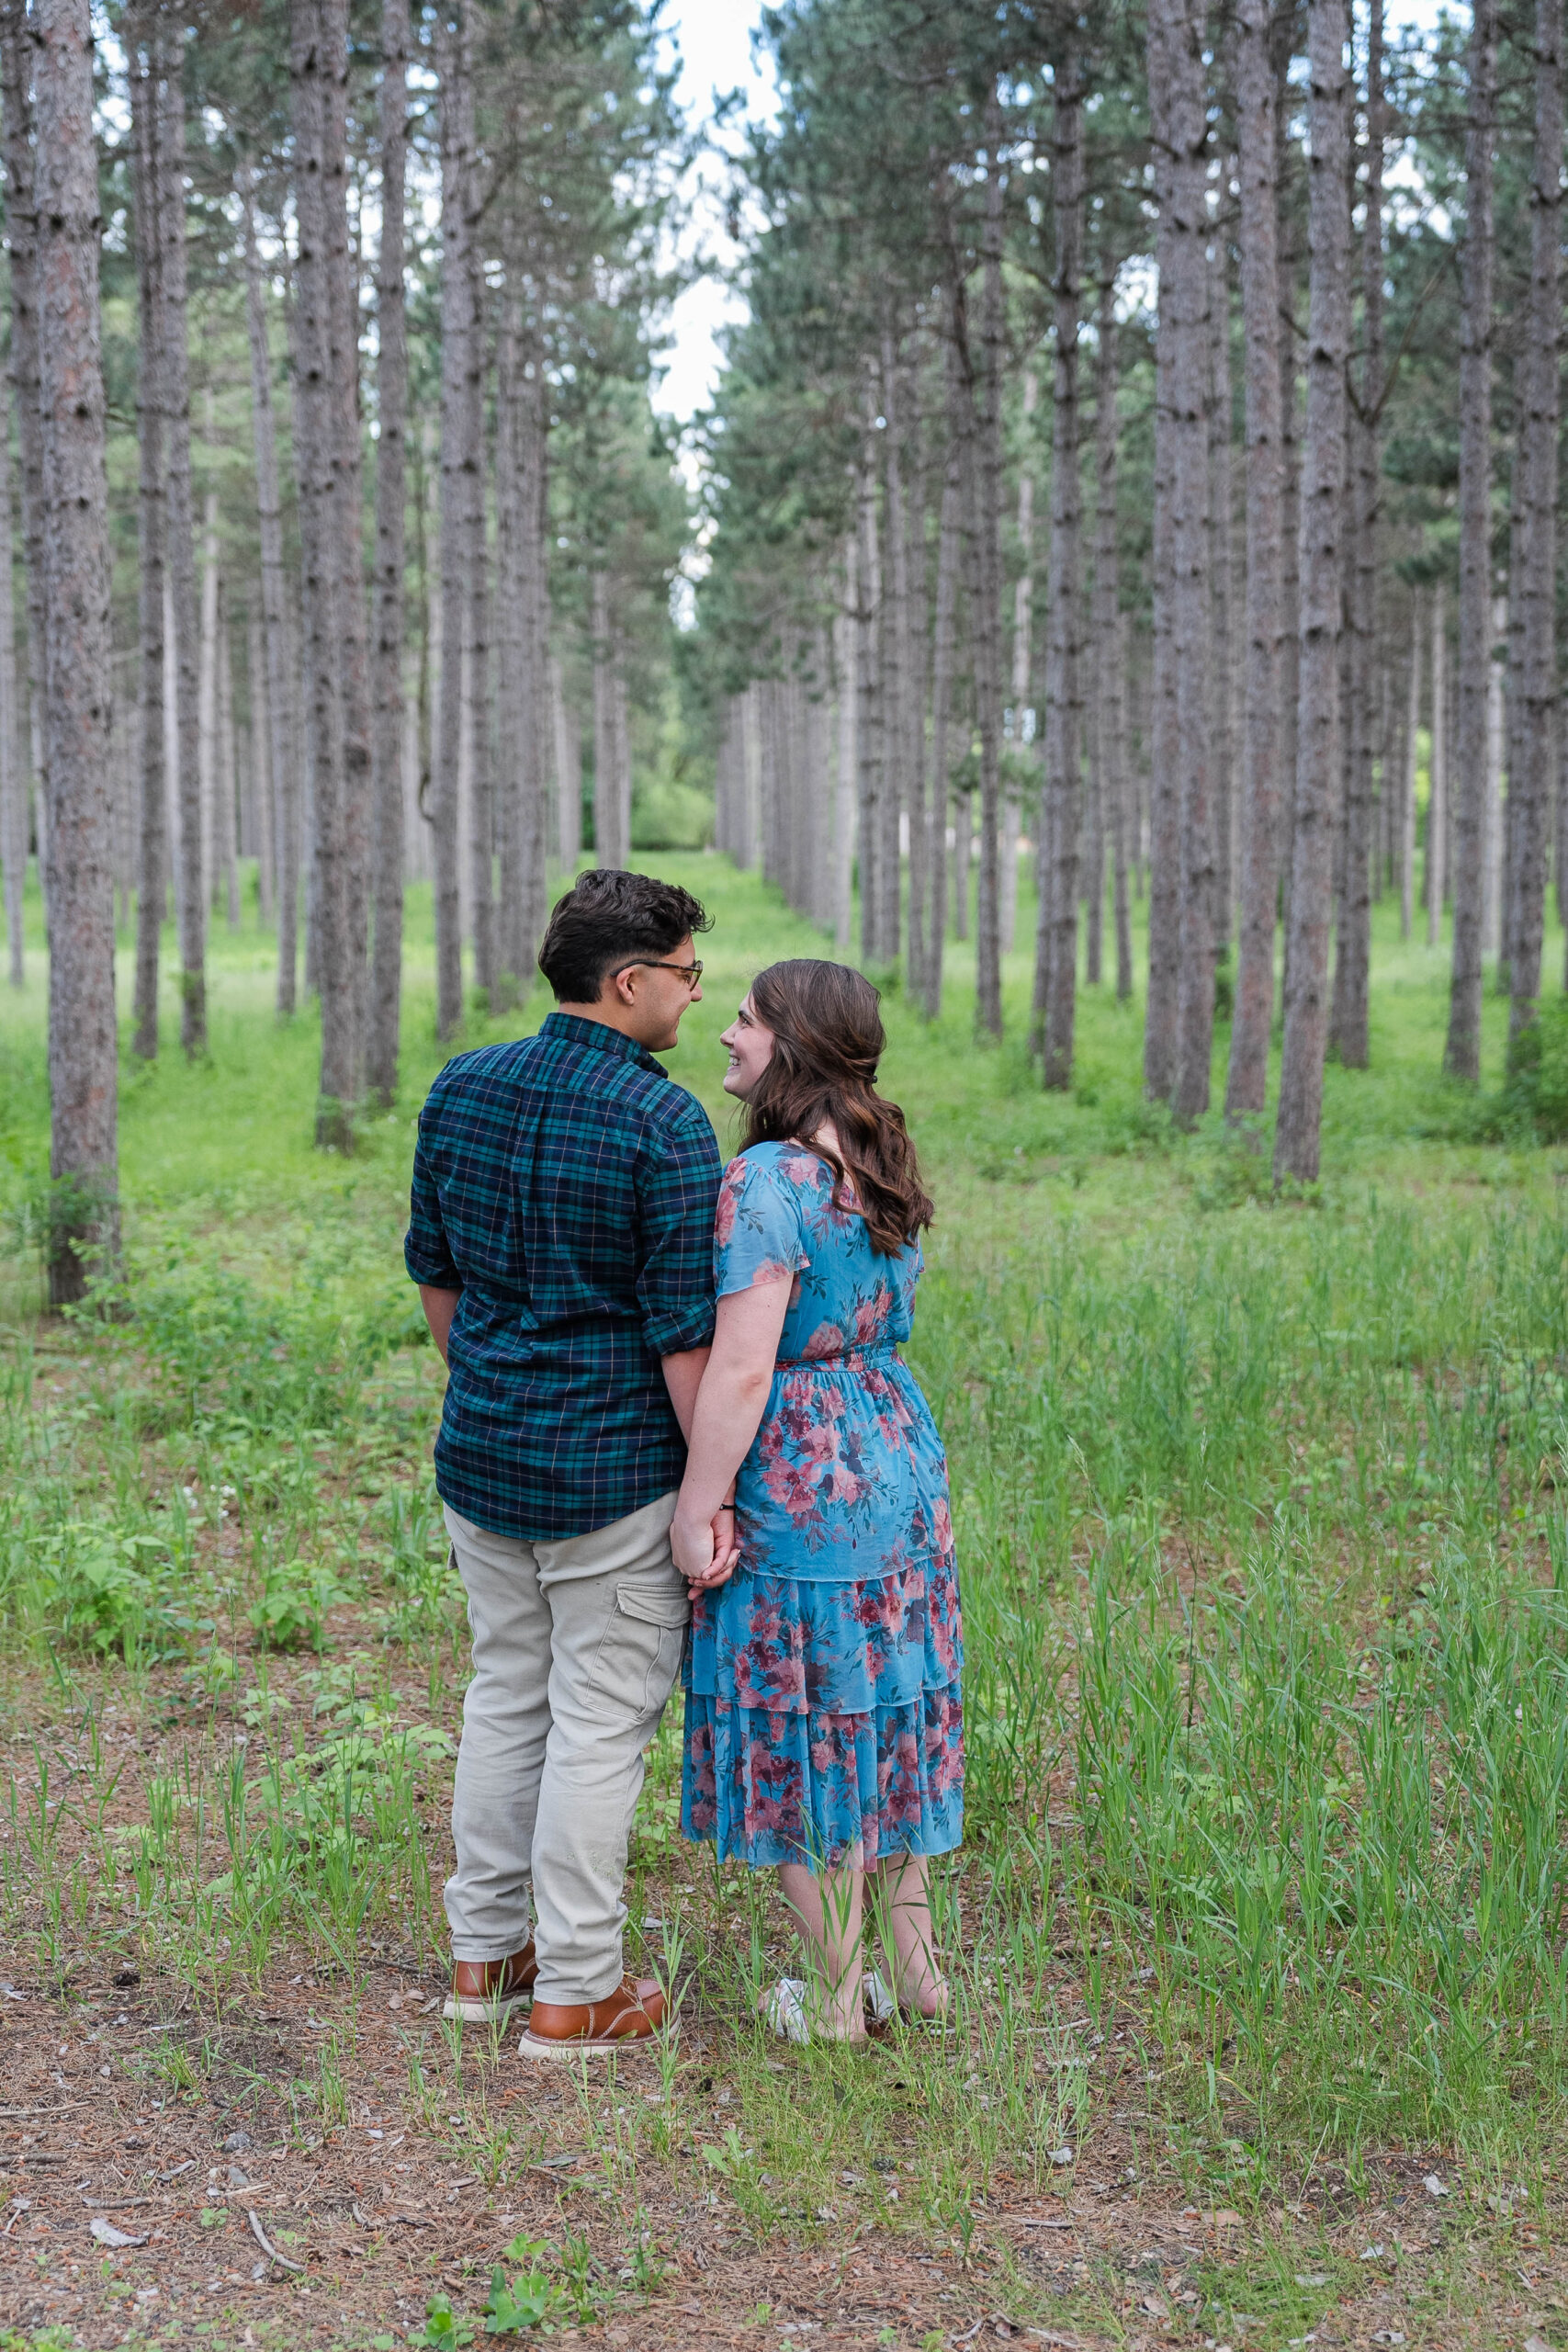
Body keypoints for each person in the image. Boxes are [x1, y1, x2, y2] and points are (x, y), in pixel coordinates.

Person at [403, 868, 736, 2057]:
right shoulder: (661, 1122)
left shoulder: (462, 1086)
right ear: (630, 981)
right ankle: (578, 1991)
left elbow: (434, 1272)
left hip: (483, 1459)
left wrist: (490, 1386)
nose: (696, 999)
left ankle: (483, 1960)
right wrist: (712, 1488)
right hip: (613, 1478)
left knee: (503, 1693)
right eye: (689, 977)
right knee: (597, 1720)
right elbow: (682, 1333)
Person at [671, 958, 964, 2042]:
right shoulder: (879, 1156)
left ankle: (840, 1994)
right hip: (895, 1451)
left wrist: (698, 1502)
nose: (727, 1035)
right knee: (884, 1707)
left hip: (804, 1469)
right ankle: (919, 1972)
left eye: (744, 1019)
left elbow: (744, 1369)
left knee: (798, 1714)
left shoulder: (769, 1183)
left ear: (789, 1041)